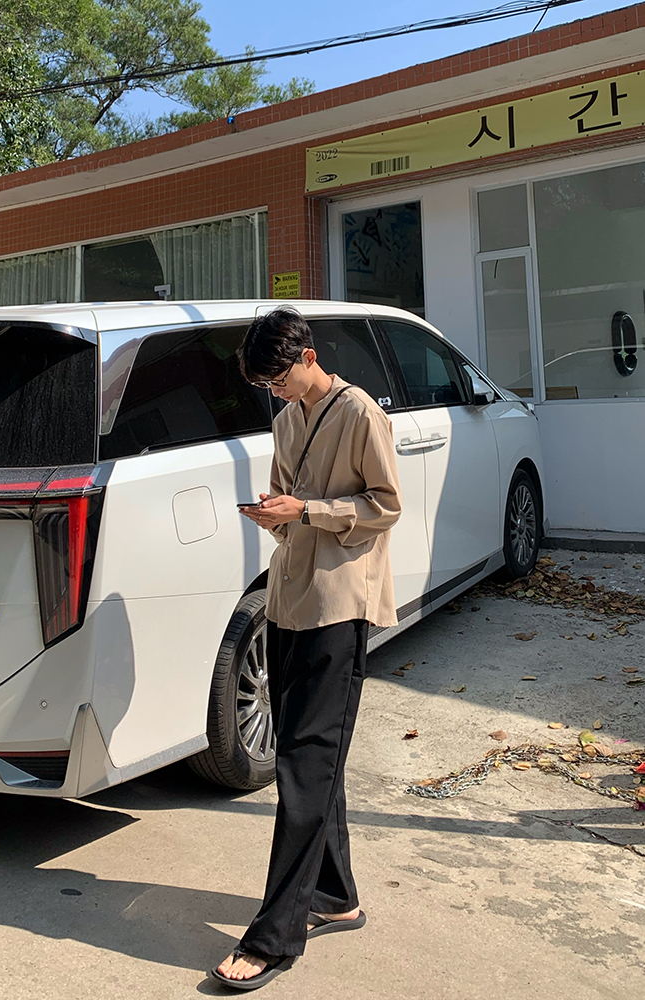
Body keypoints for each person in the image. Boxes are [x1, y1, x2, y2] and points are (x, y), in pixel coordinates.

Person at [211, 307, 402, 991]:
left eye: (279, 379)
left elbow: (386, 506)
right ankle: (336, 896)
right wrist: (276, 514)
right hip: (290, 599)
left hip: (340, 604)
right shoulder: (287, 420)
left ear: (308, 357)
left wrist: (309, 511)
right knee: (312, 758)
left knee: (301, 767)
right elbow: (290, 506)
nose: (276, 392)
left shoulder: (360, 414)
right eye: (266, 385)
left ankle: (274, 936)